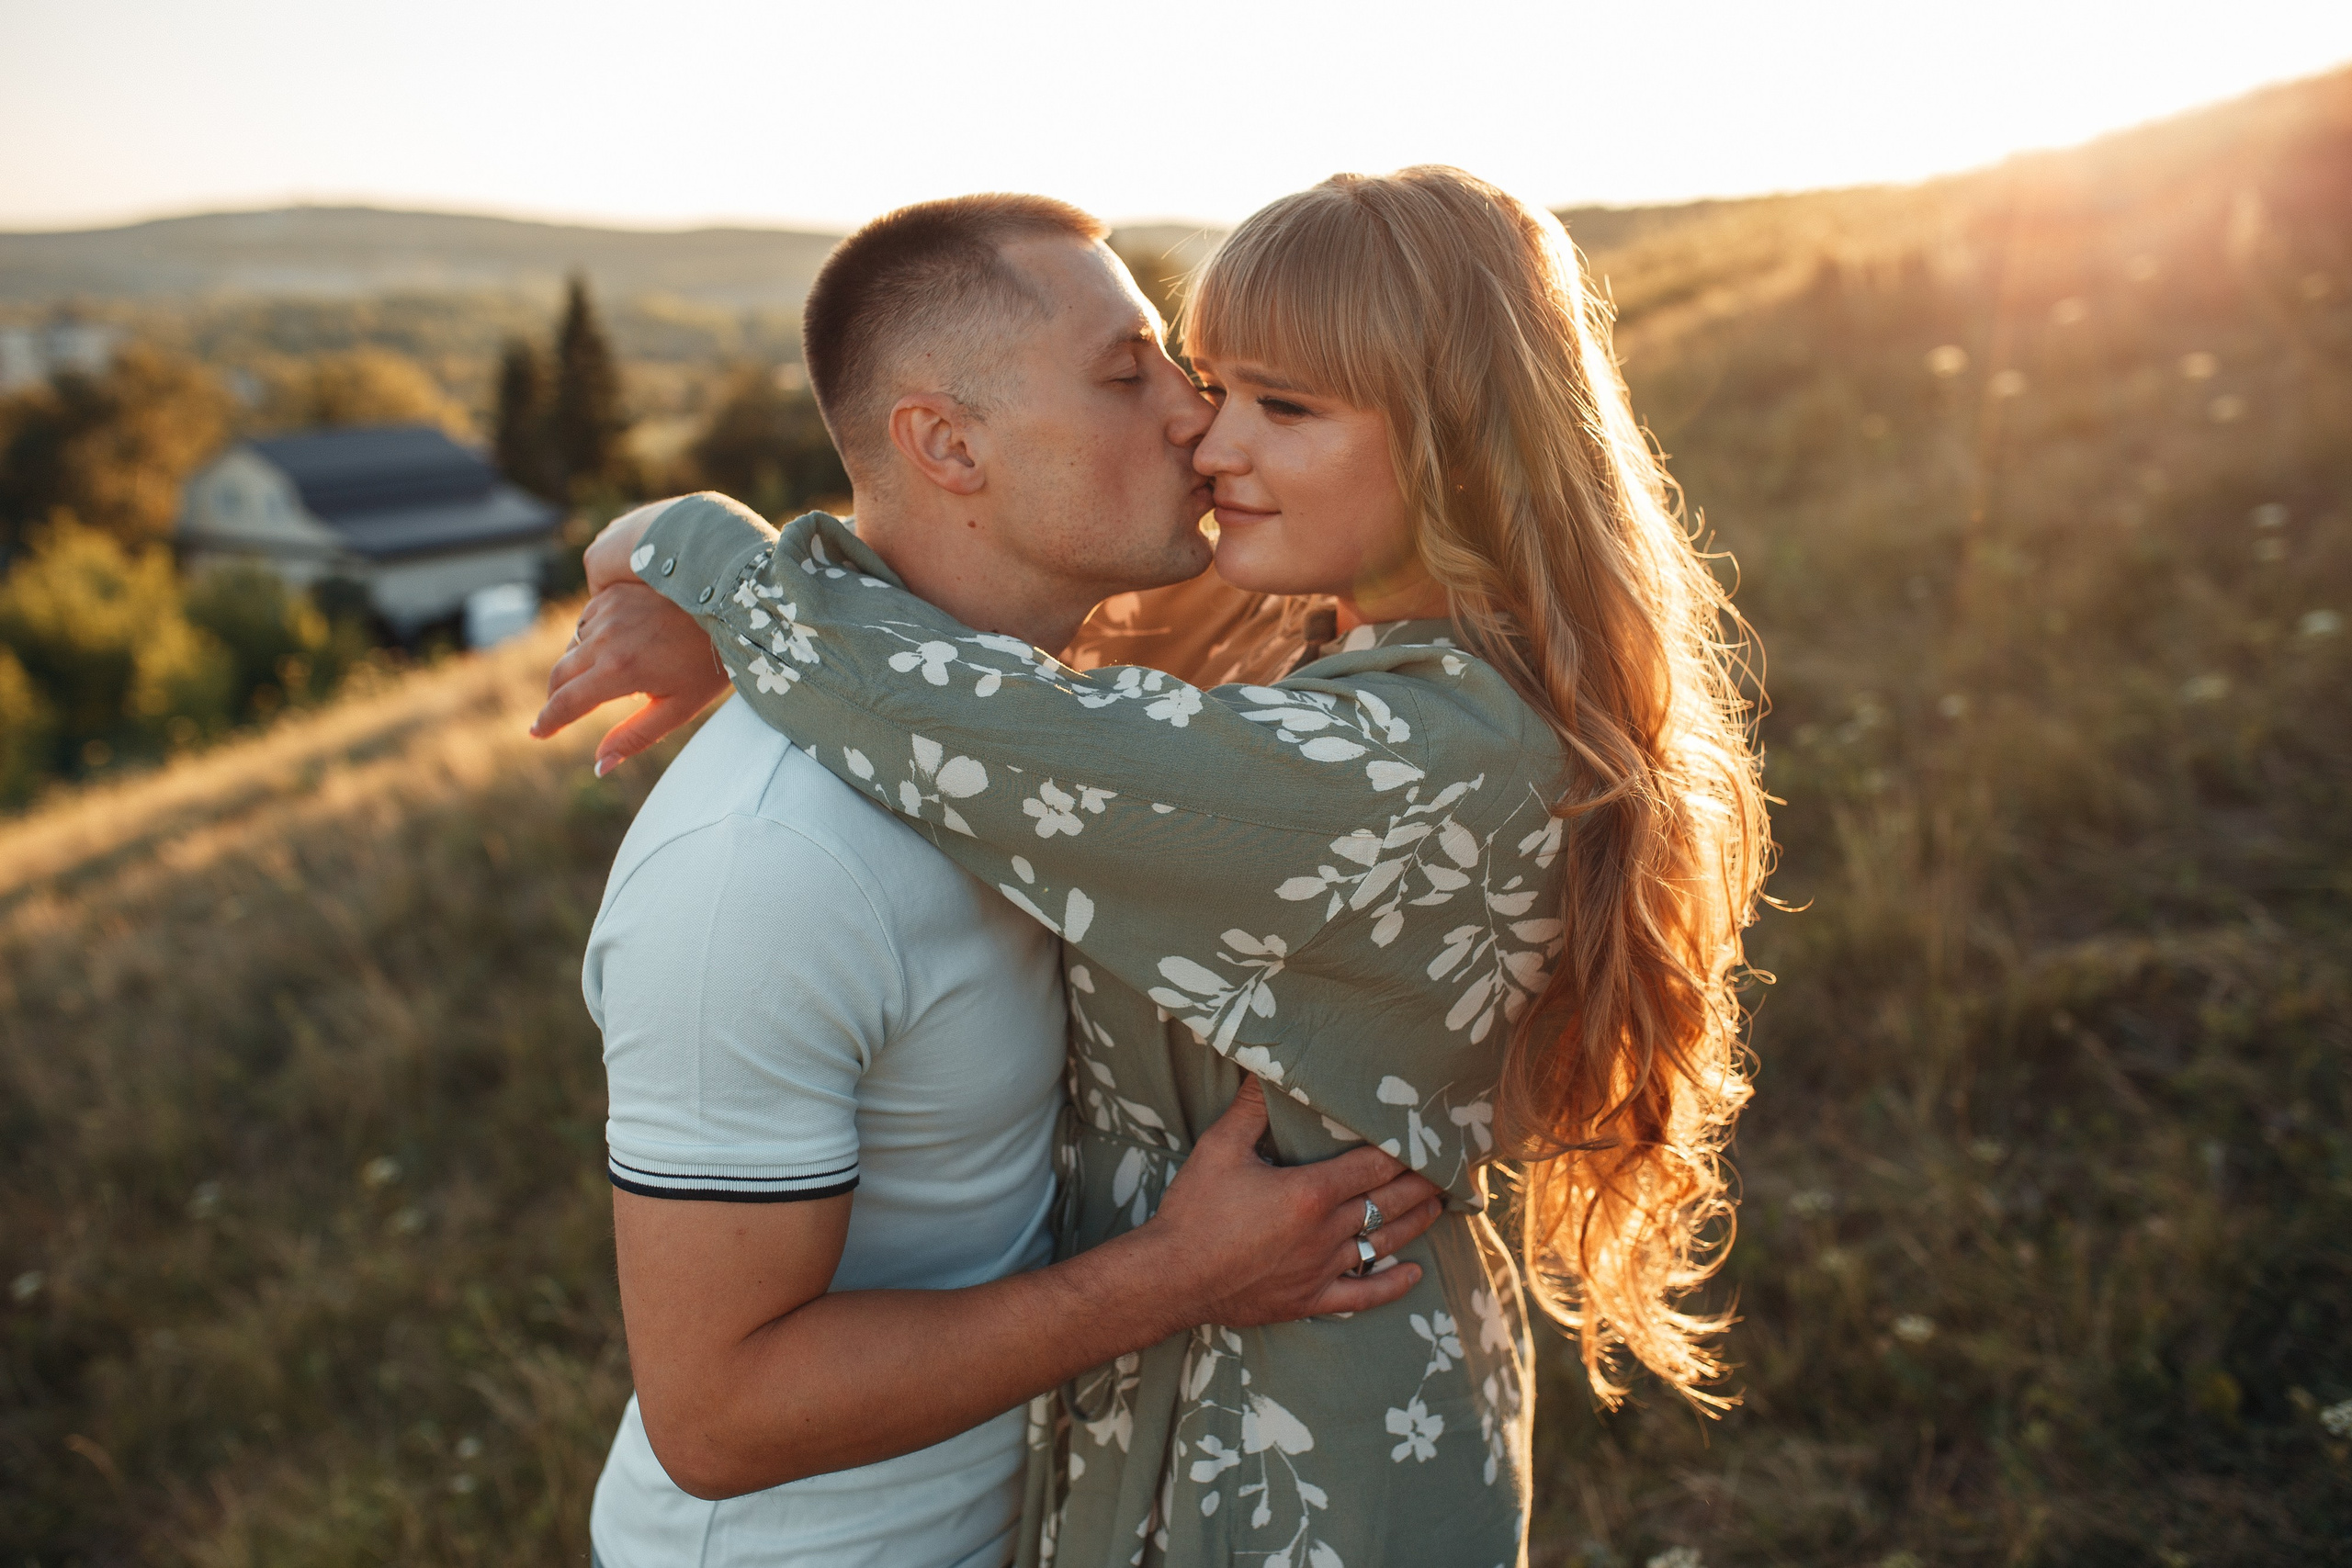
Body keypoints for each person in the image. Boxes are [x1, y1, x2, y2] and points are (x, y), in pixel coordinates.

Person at [550, 166, 1771, 1568]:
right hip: (1183, 1413)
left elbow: (999, 732)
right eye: (1185, 379)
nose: (1204, 433)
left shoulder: (1413, 756)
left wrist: (707, 557)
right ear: (945, 443)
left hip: (1298, 1440)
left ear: (1456, 438)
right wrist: (772, 630)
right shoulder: (1351, 677)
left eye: (1283, 406)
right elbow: (1012, 704)